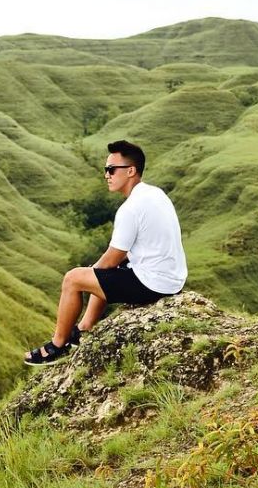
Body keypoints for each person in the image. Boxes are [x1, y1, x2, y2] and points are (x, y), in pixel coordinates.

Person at [24, 139, 188, 365]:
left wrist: (88, 274)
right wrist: (95, 272)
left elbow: (111, 259)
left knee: (73, 279)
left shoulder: (130, 208)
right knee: (98, 271)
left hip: (153, 284)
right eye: (105, 170)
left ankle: (57, 345)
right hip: (173, 278)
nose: (107, 175)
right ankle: (84, 328)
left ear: (131, 171)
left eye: (111, 169)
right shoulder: (154, 193)